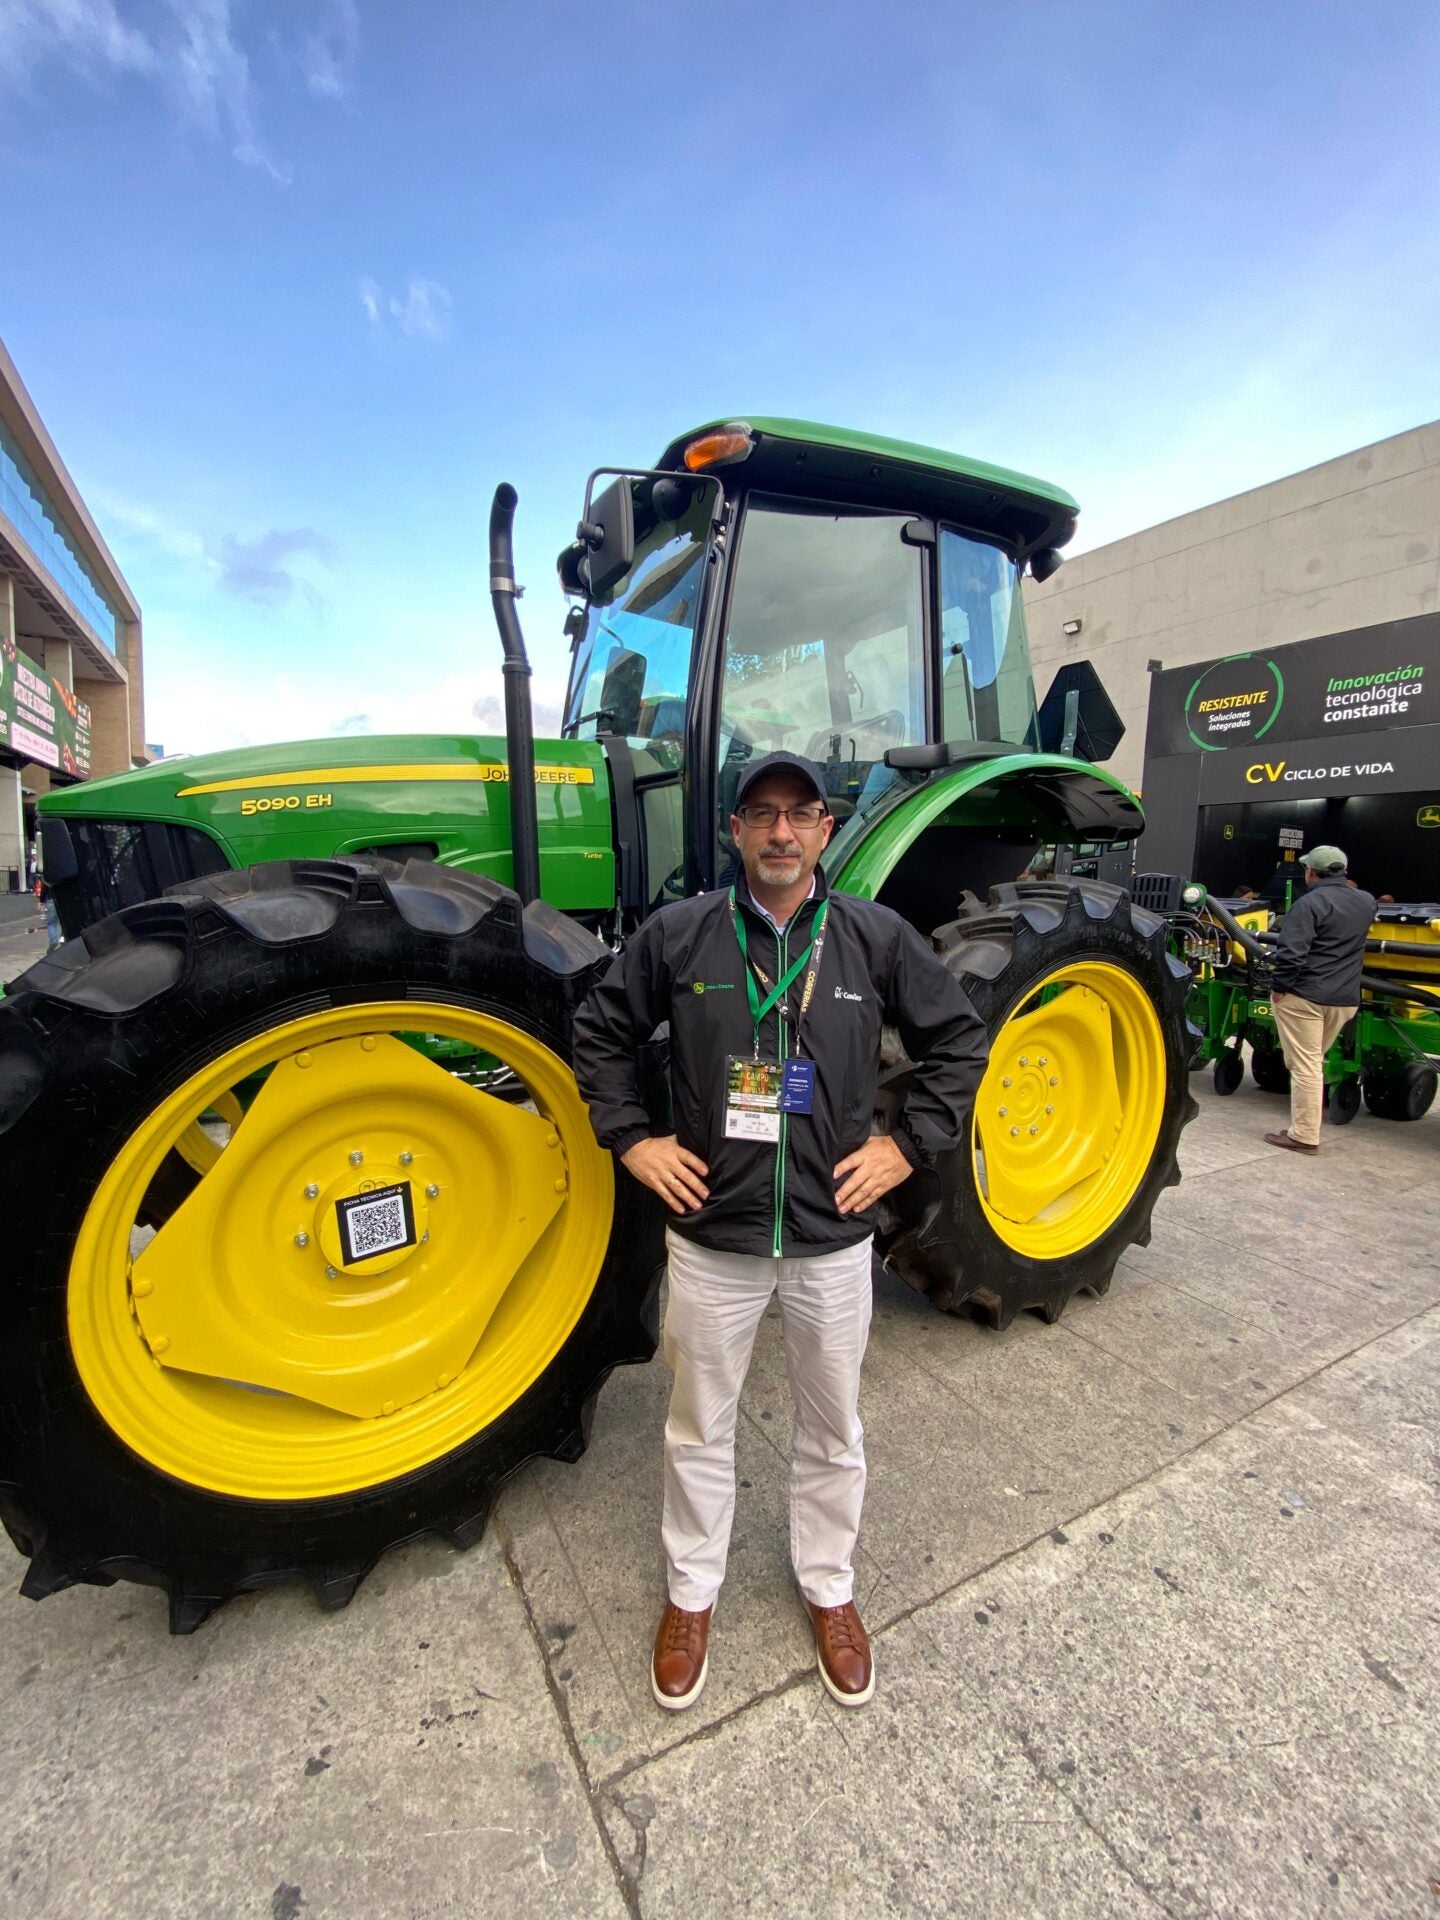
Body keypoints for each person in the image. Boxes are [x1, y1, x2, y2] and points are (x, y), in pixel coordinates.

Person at [573, 751, 987, 1712]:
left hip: (833, 1238)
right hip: (712, 1236)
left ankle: (830, 1588)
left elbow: (959, 1042)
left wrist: (906, 1147)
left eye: (801, 815)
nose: (781, 833)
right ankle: (691, 1593)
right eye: (761, 815)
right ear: (734, 832)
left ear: (826, 832)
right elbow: (598, 1033)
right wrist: (633, 1141)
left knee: (832, 1429)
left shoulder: (875, 939)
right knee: (697, 1427)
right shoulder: (678, 935)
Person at [1263, 845, 1375, 1155]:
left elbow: (1292, 954)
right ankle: (1304, 1126)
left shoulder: (1309, 904)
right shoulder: (1366, 902)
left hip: (1306, 997)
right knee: (1310, 1061)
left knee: (1305, 1065)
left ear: (1311, 872)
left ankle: (1304, 1135)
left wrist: (1278, 988)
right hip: (1345, 1000)